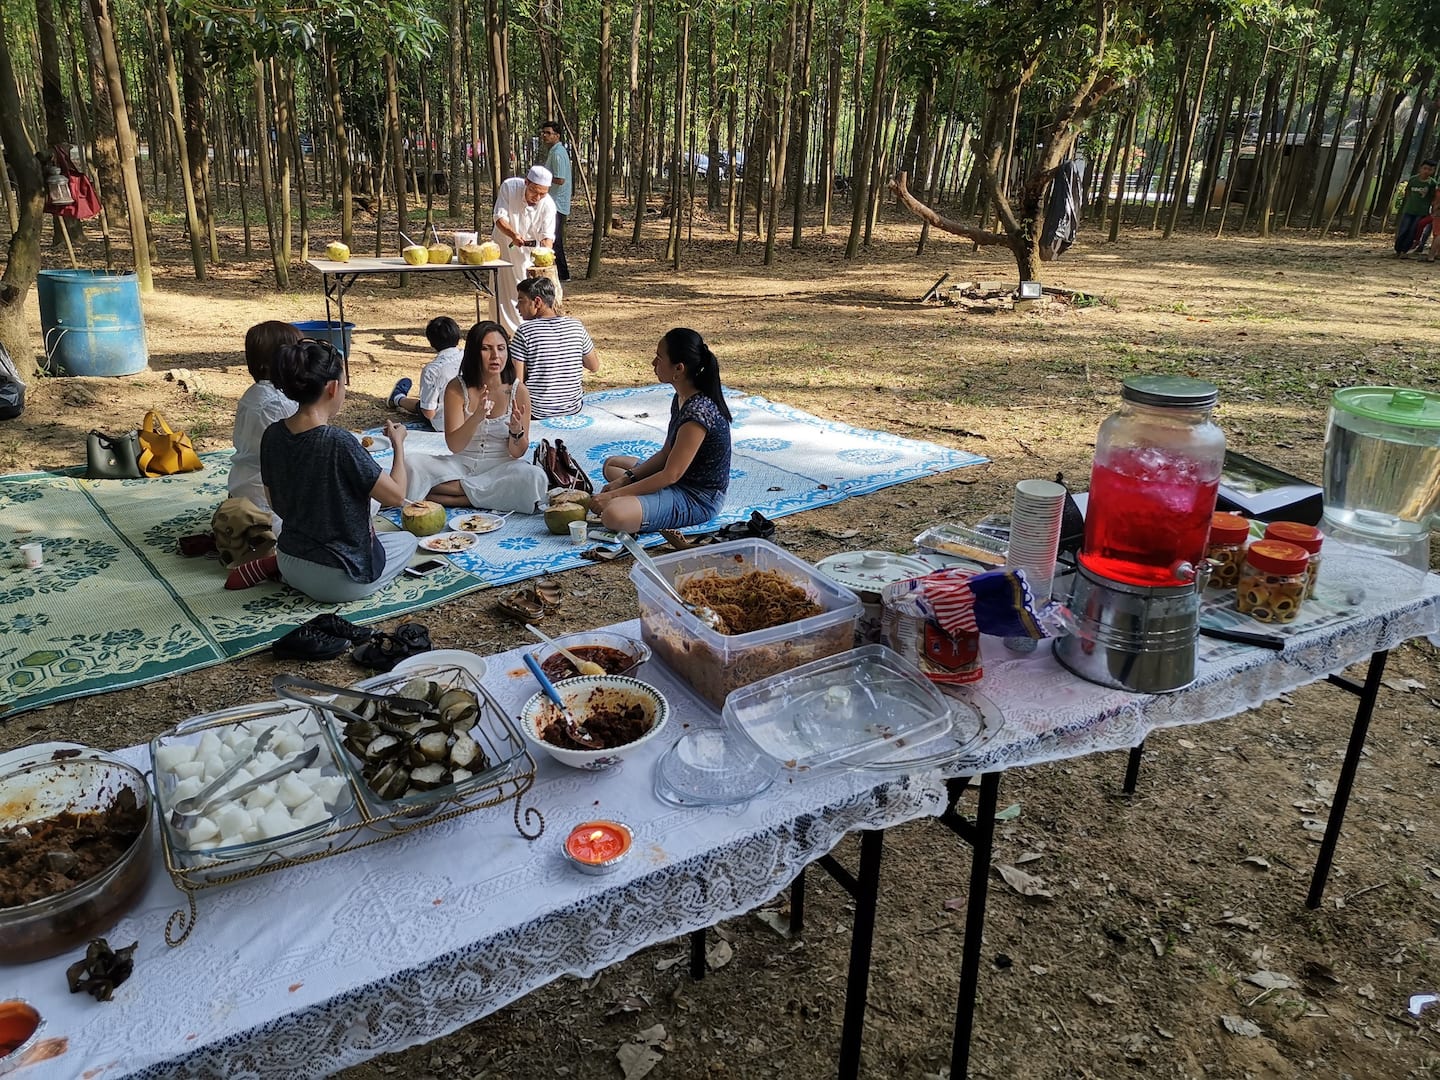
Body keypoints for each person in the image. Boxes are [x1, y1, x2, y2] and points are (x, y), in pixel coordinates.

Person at [260, 339, 418, 603]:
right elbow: (396, 496)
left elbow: (274, 502)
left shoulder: (272, 434)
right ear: (333, 387)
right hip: (338, 578)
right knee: (407, 541)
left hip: (288, 559)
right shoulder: (338, 442)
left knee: (384, 542)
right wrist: (398, 445)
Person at [593, 328, 732, 534]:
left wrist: (615, 495)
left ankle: (643, 503)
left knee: (613, 514)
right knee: (612, 466)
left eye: (659, 358)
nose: (653, 364)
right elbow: (666, 453)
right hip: (676, 478)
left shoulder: (698, 413)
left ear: (679, 369)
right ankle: (644, 498)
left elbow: (670, 475)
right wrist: (625, 480)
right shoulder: (681, 398)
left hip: (697, 497)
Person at [402, 320, 548, 512]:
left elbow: (517, 452)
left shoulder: (518, 390)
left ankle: (453, 498)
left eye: (501, 348)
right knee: (410, 464)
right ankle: (481, 495)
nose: (495, 356)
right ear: (473, 353)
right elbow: (454, 446)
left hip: (502, 469)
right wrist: (477, 417)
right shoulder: (456, 387)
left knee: (534, 478)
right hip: (460, 465)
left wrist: (516, 431)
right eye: (486, 349)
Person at [230, 320, 302, 515]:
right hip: (268, 502)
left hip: (241, 486)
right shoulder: (278, 404)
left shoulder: (254, 393)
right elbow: (299, 455)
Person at [510, 277, 599, 418]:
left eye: (521, 301)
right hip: (573, 408)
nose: (517, 306)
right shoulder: (576, 326)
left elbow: (517, 383)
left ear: (537, 302)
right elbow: (593, 366)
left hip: (537, 412)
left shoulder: (524, 331)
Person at [491, 165, 557, 333]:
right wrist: (513, 234)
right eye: (534, 191)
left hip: (529, 254)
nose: (538, 197)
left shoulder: (548, 204)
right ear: (526, 182)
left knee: (523, 289)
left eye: (543, 193)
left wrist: (546, 253)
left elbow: (547, 236)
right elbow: (499, 218)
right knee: (502, 289)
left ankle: (524, 330)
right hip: (505, 247)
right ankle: (501, 329)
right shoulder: (509, 187)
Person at [389, 316, 463, 430]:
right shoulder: (470, 356)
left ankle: (398, 398)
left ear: (431, 342)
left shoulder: (432, 370)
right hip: (471, 418)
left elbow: (429, 412)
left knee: (423, 405)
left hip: (445, 424)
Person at [540, 120, 572, 281]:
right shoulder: (555, 151)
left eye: (548, 133)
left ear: (557, 136)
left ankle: (563, 274)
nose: (545, 136)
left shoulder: (558, 153)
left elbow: (560, 179)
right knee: (553, 237)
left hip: (556, 203)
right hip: (553, 201)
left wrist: (541, 179)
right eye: (543, 133)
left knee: (554, 239)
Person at [1394, 159, 1436, 257]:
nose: (1426, 171)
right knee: (1403, 229)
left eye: (1429, 169)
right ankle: (1398, 249)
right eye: (1425, 168)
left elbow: (1433, 197)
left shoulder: (1432, 183)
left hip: (1421, 212)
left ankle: (1404, 251)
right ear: (1420, 168)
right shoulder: (1413, 179)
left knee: (1412, 231)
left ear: (1433, 171)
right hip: (1409, 210)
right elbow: (1408, 192)